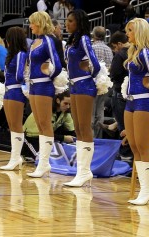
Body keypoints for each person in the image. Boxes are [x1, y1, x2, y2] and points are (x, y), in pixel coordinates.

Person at [124, 18, 149, 205]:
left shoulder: (146, 53)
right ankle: (144, 189)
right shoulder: (134, 52)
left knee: (142, 145)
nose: (127, 34)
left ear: (139, 31)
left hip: (144, 102)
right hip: (130, 103)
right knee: (133, 146)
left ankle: (148, 189)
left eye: (130, 30)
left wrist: (148, 87)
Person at [62, 10, 101, 187]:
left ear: (78, 22)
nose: (66, 23)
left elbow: (95, 63)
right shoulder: (72, 40)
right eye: (66, 20)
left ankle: (85, 171)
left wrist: (89, 75)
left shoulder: (84, 38)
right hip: (74, 85)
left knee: (84, 127)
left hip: (84, 85)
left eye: (70, 21)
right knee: (77, 127)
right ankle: (81, 171)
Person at [26, 11, 65, 178]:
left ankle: (44, 163)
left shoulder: (49, 40)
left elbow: (57, 64)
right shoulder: (35, 41)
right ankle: (43, 163)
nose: (30, 26)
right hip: (33, 86)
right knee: (39, 123)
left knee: (45, 123)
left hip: (43, 86)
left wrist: (47, 76)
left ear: (40, 23)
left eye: (32, 23)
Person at [0, 27, 28, 171]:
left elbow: (20, 75)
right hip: (8, 91)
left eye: (8, 38)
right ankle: (14, 157)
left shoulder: (21, 54)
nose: (6, 41)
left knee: (16, 125)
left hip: (17, 90)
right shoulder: (11, 54)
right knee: (11, 126)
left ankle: (16, 157)